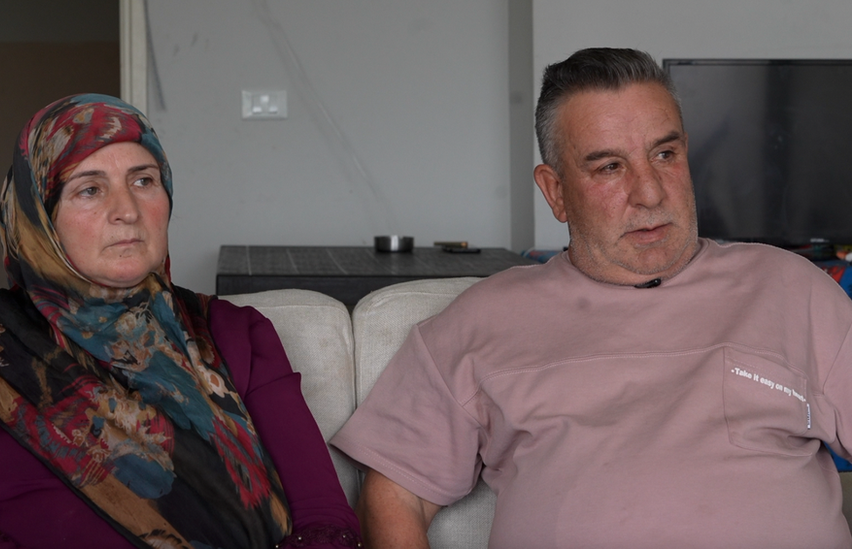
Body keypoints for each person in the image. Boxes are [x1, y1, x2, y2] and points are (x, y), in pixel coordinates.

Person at [330, 48, 852, 548]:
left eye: (664, 154)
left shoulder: (789, 287)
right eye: (609, 167)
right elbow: (396, 492)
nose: (649, 193)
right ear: (555, 191)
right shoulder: (483, 319)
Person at [0, 94, 361, 549]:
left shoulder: (237, 333)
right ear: (39, 218)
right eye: (90, 189)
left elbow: (325, 520)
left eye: (143, 181)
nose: (128, 211)